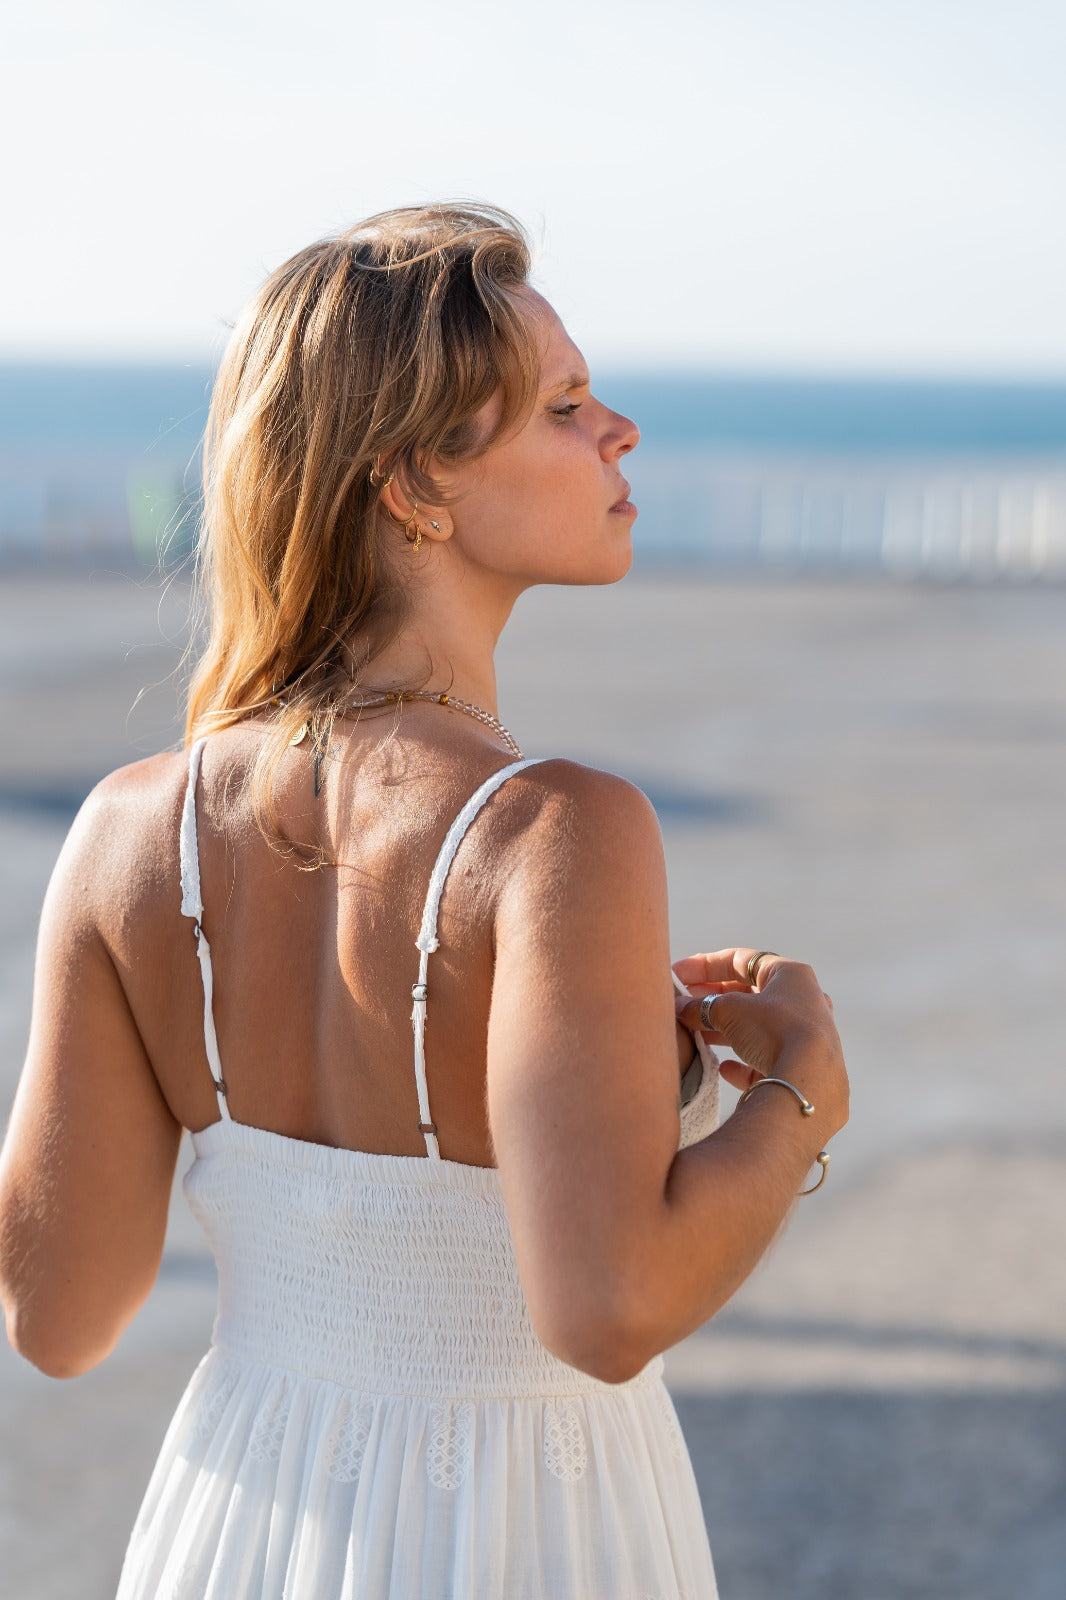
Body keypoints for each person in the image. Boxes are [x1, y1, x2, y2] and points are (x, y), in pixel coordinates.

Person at [0, 203, 848, 1598]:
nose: (618, 431)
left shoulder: (127, 830)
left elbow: (60, 1317)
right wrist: (798, 1091)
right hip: (533, 1528)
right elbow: (611, 1306)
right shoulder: (557, 828)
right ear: (412, 485)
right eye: (566, 407)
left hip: (241, 1516)